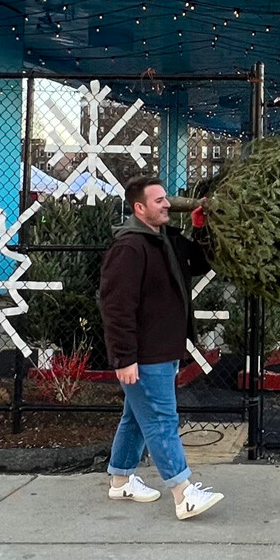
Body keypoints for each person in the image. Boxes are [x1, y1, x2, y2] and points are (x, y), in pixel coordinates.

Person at [99, 176, 224, 520]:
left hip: (165, 350)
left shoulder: (164, 240)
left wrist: (202, 226)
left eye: (166, 199)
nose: (167, 204)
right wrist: (124, 358)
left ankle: (120, 480)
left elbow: (200, 262)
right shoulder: (129, 248)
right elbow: (116, 307)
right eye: (158, 201)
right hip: (145, 353)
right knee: (161, 420)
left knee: (136, 418)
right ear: (140, 208)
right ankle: (184, 494)